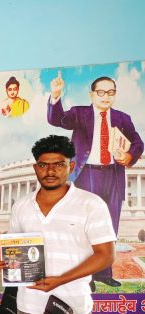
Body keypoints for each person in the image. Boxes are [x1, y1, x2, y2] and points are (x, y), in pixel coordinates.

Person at [0, 135, 116, 314]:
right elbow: (15, 250)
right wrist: (3, 262)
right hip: (30, 304)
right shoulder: (22, 206)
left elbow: (106, 255)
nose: (50, 171)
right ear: (35, 168)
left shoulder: (90, 204)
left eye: (58, 164)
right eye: (43, 165)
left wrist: (61, 279)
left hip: (74, 305)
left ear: (70, 166)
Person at [47, 73, 143, 288]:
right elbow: (56, 119)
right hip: (87, 174)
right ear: (92, 94)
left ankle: (104, 274)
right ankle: (86, 277)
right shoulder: (79, 114)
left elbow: (138, 142)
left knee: (109, 226)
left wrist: (129, 156)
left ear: (115, 95)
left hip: (114, 175)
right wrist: (55, 96)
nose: (105, 96)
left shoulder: (122, 118)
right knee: (85, 227)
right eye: (101, 92)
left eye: (110, 92)